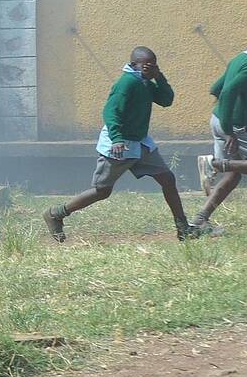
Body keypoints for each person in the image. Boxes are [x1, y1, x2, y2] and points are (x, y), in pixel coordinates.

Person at [44, 47, 191, 242]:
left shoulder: (145, 82)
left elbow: (166, 100)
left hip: (140, 144)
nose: (150, 68)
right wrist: (117, 139)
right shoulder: (127, 83)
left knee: (167, 179)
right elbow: (110, 112)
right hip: (119, 144)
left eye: (154, 64)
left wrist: (159, 76)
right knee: (102, 191)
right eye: (147, 65)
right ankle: (56, 214)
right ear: (134, 65)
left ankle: (183, 229)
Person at [193, 27, 247, 234]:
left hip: (217, 120)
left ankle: (200, 219)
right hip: (231, 126)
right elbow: (227, 91)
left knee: (233, 175)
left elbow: (215, 88)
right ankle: (213, 164)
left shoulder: (239, 59)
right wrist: (229, 131)